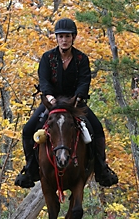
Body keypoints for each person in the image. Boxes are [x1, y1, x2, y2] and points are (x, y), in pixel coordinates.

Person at [15, 17, 118, 189]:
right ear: (57, 38)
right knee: (28, 130)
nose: (64, 40)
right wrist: (49, 98)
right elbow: (44, 81)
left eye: (67, 36)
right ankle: (30, 169)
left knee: (97, 129)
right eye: (61, 36)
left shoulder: (81, 58)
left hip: (75, 103)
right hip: (52, 102)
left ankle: (102, 168)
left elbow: (85, 81)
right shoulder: (47, 58)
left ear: (73, 37)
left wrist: (77, 98)